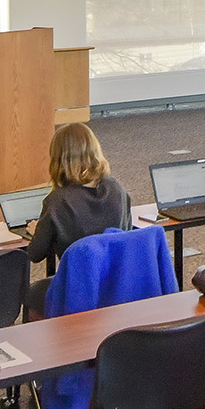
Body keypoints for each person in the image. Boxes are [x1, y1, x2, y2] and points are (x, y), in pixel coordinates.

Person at [24, 123, 130, 316]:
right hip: (117, 287)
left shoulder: (57, 202)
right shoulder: (118, 189)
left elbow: (35, 253)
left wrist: (37, 230)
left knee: (32, 293)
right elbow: (127, 234)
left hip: (76, 291)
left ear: (58, 159)